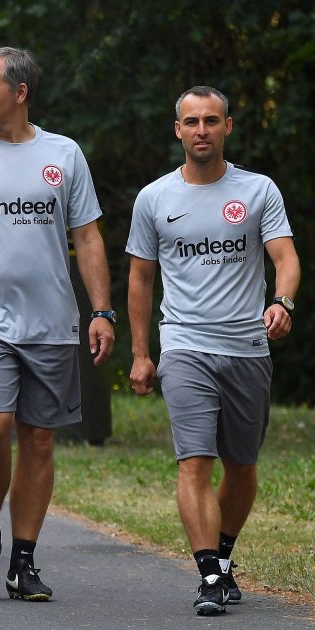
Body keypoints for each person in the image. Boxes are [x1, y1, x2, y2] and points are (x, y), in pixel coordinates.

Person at [0, 46, 114, 602]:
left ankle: (23, 559)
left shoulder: (64, 154)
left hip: (52, 321)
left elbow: (88, 237)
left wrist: (101, 311)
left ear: (20, 93)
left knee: (37, 440)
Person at [127, 86, 299, 616]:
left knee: (242, 468)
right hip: (185, 346)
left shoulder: (257, 190)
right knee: (194, 463)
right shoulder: (154, 198)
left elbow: (285, 257)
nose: (202, 129)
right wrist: (140, 352)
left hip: (247, 347)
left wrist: (283, 302)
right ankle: (207, 575)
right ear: (176, 129)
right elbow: (139, 280)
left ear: (228, 127)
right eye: (192, 121)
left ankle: (223, 560)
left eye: (212, 120)